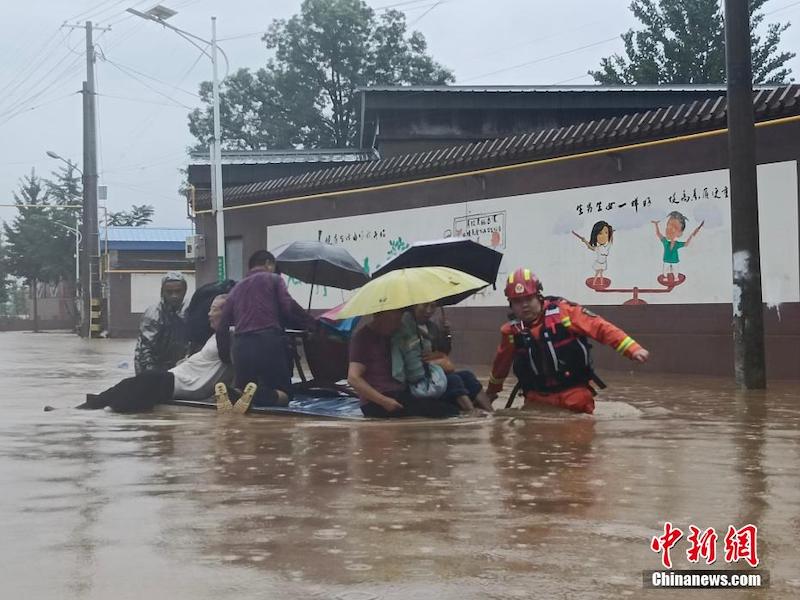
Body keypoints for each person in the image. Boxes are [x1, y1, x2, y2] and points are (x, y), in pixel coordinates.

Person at [486, 268, 650, 414]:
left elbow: (601, 328)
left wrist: (633, 349)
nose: (524, 305)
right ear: (510, 304)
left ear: (539, 296)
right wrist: (491, 393)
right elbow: (500, 366)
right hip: (536, 399)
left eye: (528, 299)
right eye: (517, 301)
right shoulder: (511, 332)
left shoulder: (565, 313)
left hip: (574, 396)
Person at [79, 294, 242, 412]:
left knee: (138, 383)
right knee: (128, 386)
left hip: (184, 383)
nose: (209, 314)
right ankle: (94, 404)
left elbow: (234, 362)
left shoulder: (229, 336)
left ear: (226, 313)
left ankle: (89, 407)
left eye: (214, 310)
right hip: (176, 378)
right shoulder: (217, 336)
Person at [216, 250, 314, 409]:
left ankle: (237, 393)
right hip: (268, 341)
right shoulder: (274, 279)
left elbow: (222, 326)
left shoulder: (236, 289)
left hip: (241, 345)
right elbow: (288, 308)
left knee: (244, 392)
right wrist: (309, 325)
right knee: (284, 394)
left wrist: (225, 356)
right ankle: (251, 395)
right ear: (269, 263)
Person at [348, 309, 460, 418]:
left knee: (450, 401)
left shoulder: (395, 334)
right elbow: (353, 378)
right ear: (379, 316)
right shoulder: (363, 338)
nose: (397, 325)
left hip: (402, 393)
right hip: (378, 401)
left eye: (399, 320)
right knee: (443, 412)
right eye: (394, 320)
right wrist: (384, 401)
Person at [392, 302, 493, 413]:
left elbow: (443, 351)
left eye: (433, 306)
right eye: (425, 306)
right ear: (415, 305)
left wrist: (446, 333)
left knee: (467, 375)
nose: (429, 310)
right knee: (453, 379)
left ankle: (491, 411)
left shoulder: (432, 327)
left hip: (433, 371)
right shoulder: (404, 327)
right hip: (419, 379)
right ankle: (471, 412)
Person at [134, 271, 189, 374]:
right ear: (162, 292)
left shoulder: (189, 311)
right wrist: (150, 372)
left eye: (178, 291)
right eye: (169, 292)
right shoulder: (153, 314)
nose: (174, 296)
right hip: (153, 365)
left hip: (180, 365)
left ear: (185, 291)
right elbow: (146, 348)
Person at [652, 212, 704, 280]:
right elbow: (658, 234)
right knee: (665, 272)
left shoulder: (677, 244)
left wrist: (692, 235)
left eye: (675, 227)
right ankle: (666, 277)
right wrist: (656, 224)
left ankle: (676, 277)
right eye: (668, 225)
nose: (669, 229)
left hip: (675, 261)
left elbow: (686, 244)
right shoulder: (665, 242)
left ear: (680, 233)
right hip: (666, 260)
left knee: (675, 272)